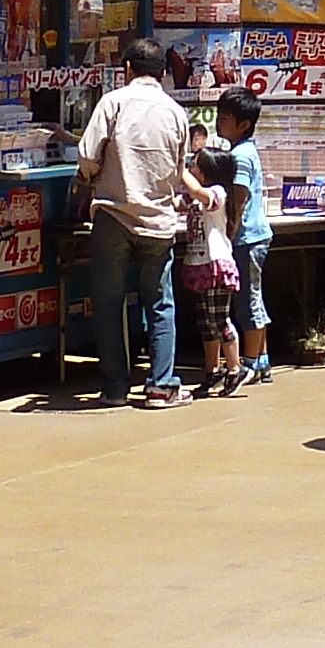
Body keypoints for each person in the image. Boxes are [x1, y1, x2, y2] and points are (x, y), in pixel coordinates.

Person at [75, 36, 194, 406]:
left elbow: (87, 155)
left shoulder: (113, 102)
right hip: (158, 221)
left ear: (127, 70)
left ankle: (114, 387)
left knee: (108, 304)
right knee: (160, 304)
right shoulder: (175, 112)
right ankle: (161, 385)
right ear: (162, 73)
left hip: (113, 215)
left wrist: (93, 179)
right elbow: (179, 171)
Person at [210, 85, 274, 382]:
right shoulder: (239, 152)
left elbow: (239, 198)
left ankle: (250, 363)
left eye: (225, 118)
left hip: (247, 238)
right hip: (252, 237)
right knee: (251, 299)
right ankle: (260, 360)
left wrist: (230, 233)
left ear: (243, 124)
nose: (218, 122)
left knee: (248, 303)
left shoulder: (241, 157)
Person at [177, 140, 249, 395]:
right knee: (205, 323)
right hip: (198, 263)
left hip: (216, 263)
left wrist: (178, 168)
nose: (191, 168)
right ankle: (212, 370)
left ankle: (234, 368)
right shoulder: (195, 197)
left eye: (195, 166)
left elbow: (198, 193)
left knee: (219, 319)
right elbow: (180, 202)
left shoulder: (217, 192)